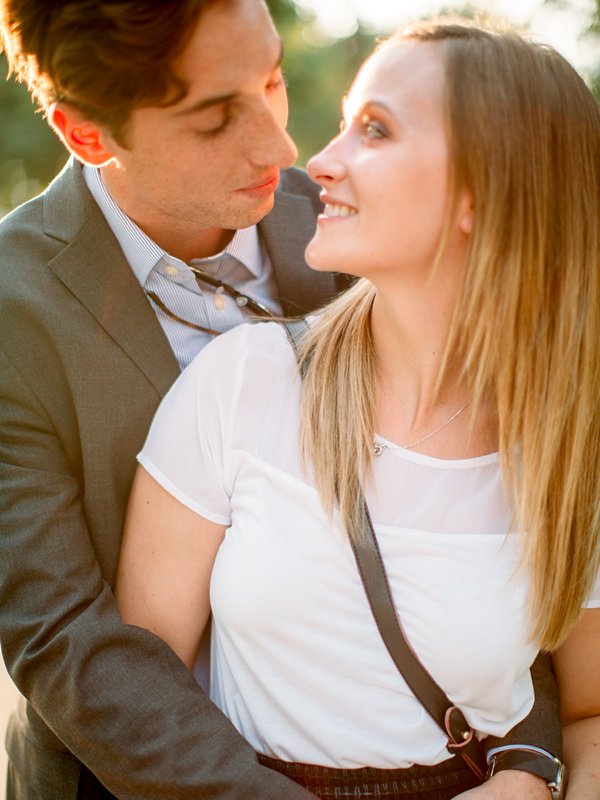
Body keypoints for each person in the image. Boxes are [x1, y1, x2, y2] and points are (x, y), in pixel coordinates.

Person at [116, 16, 600, 800]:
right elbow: (143, 693)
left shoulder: (574, 446)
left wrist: (536, 782)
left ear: (484, 188)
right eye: (343, 124)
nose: (319, 162)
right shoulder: (243, 380)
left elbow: (588, 714)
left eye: (373, 130)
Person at [0, 1, 350, 798]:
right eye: (213, 120)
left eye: (272, 81)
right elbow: (64, 641)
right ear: (87, 134)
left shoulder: (360, 225)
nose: (280, 146)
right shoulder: (10, 310)